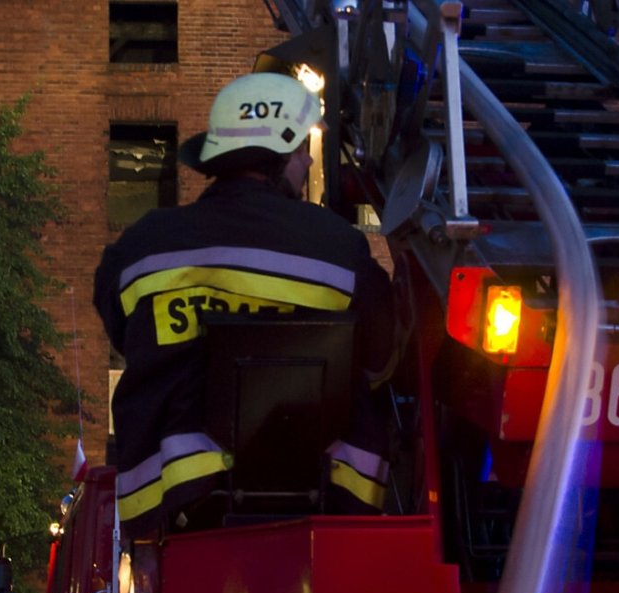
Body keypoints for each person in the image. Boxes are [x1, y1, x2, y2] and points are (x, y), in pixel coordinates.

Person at [94, 71, 397, 538]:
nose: (306, 161)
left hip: (173, 506)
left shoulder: (140, 247)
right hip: (327, 505)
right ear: (282, 155)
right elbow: (382, 358)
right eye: (303, 149)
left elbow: (122, 333)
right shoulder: (339, 248)